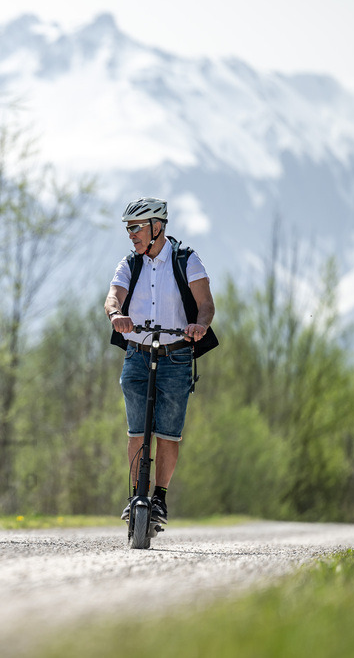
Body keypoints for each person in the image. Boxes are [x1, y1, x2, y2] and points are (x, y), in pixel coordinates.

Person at [104, 197, 217, 525]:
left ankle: (159, 499)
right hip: (137, 354)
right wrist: (116, 314)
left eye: (136, 228)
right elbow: (114, 296)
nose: (131, 235)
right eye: (128, 228)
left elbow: (206, 303)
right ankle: (135, 495)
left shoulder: (186, 260)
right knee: (137, 431)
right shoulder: (130, 263)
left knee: (168, 433)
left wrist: (201, 324)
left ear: (157, 227)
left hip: (177, 356)